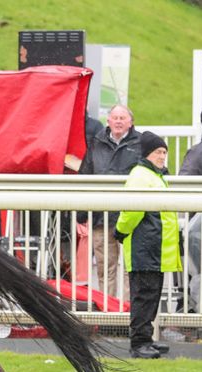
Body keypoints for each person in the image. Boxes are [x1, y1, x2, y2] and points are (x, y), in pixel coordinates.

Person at [114, 132, 180, 359]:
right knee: (143, 296)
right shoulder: (141, 175)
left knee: (150, 295)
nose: (162, 157)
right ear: (147, 154)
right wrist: (120, 231)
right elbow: (132, 210)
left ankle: (145, 338)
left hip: (154, 248)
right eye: (158, 152)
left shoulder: (152, 174)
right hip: (146, 247)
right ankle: (139, 342)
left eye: (164, 152)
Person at [78, 104, 141, 298]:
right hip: (101, 216)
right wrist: (81, 215)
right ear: (108, 121)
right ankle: (109, 311)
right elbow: (84, 177)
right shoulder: (96, 143)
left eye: (123, 118)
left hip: (130, 216)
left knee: (131, 268)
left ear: (130, 122)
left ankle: (131, 312)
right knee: (105, 268)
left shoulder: (141, 144)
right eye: (115, 117)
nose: (119, 121)